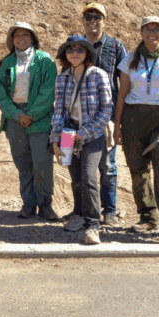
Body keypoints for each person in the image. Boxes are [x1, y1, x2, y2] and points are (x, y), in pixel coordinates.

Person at [113, 16, 159, 245]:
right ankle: (148, 217)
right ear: (141, 32)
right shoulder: (129, 59)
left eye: (157, 29)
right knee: (138, 170)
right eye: (148, 29)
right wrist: (117, 126)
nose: (152, 33)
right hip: (133, 119)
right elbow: (122, 95)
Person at [50, 35, 113, 245]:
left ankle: (93, 224)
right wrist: (55, 140)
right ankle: (78, 214)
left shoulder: (98, 75)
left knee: (89, 177)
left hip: (92, 134)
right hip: (68, 133)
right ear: (64, 55)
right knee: (75, 177)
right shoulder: (62, 78)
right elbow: (59, 111)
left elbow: (106, 110)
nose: (75, 53)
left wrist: (84, 133)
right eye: (70, 50)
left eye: (80, 49)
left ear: (87, 53)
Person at [0, 22, 58, 221]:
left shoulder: (45, 60)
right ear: (12, 40)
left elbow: (48, 91)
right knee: (23, 163)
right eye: (17, 35)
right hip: (15, 119)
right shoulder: (6, 63)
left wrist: (31, 114)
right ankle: (28, 203)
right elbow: (1, 96)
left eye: (25, 35)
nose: (21, 38)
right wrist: (17, 115)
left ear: (32, 38)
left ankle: (45, 204)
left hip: (39, 118)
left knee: (42, 162)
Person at [77, 2, 128, 229]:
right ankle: (82, 210)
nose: (92, 21)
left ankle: (109, 211)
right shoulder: (75, 45)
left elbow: (125, 83)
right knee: (79, 165)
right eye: (88, 17)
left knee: (107, 166)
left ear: (104, 21)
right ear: (83, 21)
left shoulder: (116, 46)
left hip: (107, 116)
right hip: (78, 116)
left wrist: (120, 119)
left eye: (97, 17)